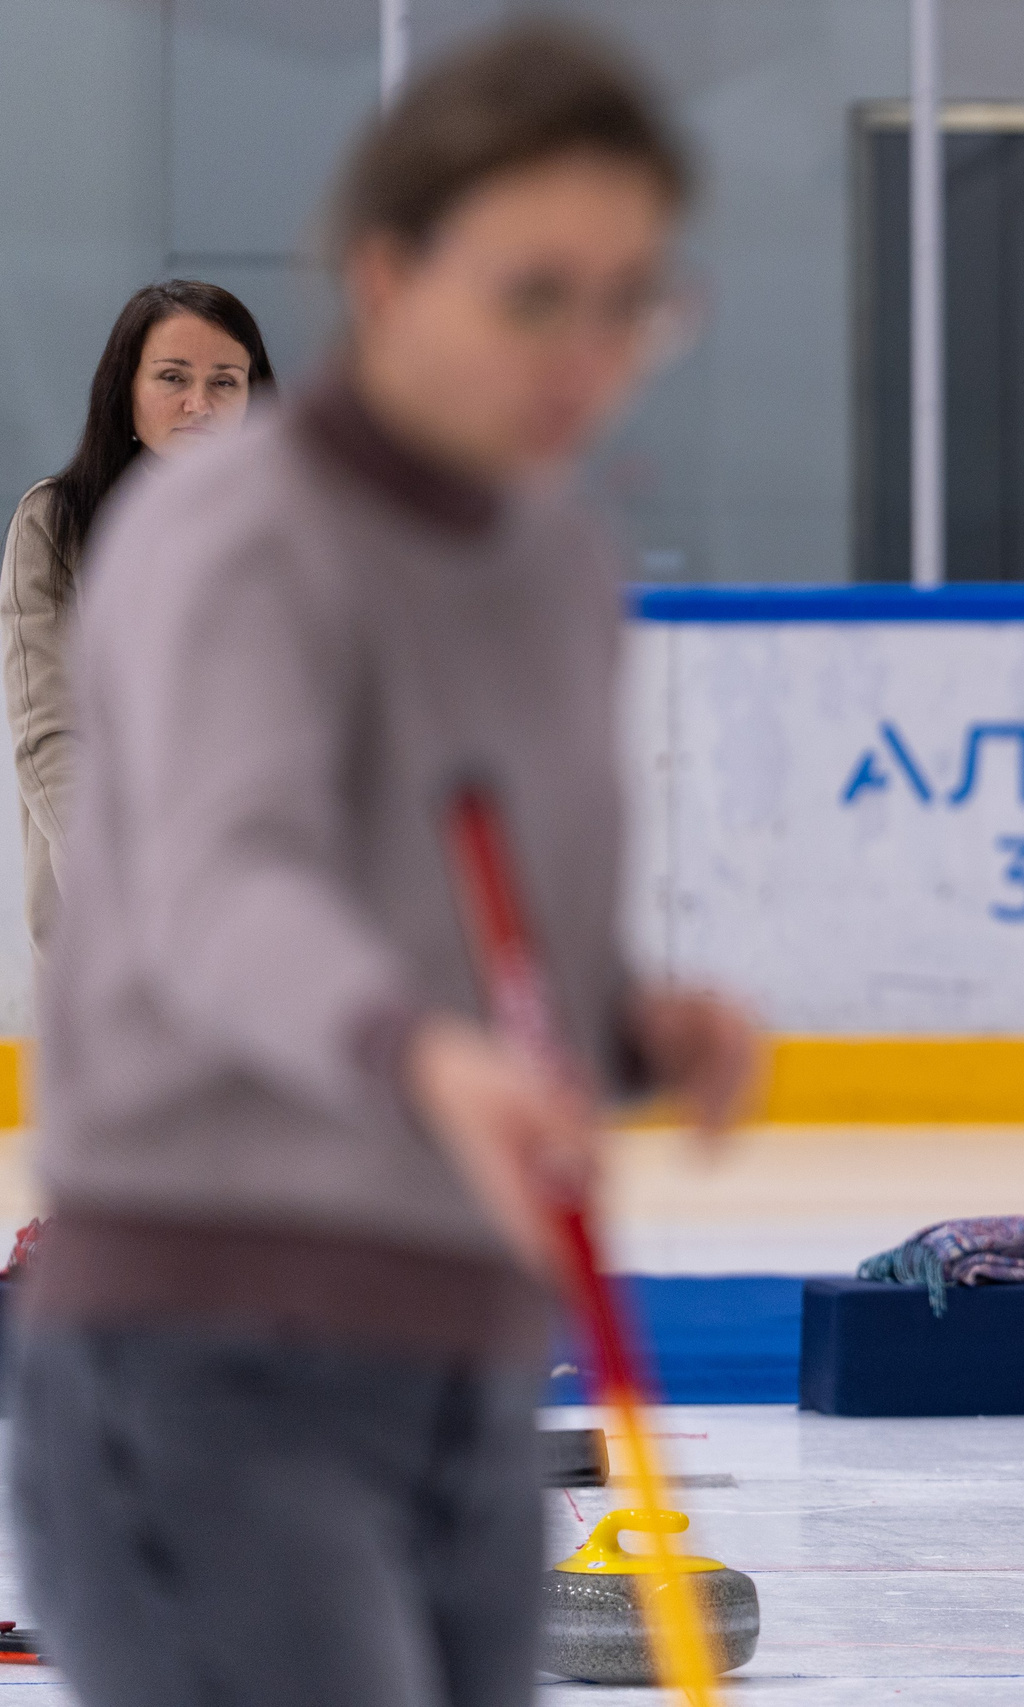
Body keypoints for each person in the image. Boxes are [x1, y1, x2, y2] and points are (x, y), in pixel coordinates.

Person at [6, 24, 757, 1707]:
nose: (585, 348)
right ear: (388, 274)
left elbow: (506, 931)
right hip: (212, 1349)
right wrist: (415, 1057)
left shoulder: (554, 563)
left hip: (465, 1348)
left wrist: (636, 1028)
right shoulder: (225, 537)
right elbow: (223, 880)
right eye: (531, 289)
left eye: (629, 297)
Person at [1, 281, 275, 953]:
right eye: (173, 377)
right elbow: (50, 735)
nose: (198, 403)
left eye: (224, 382)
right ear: (125, 388)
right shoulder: (58, 523)